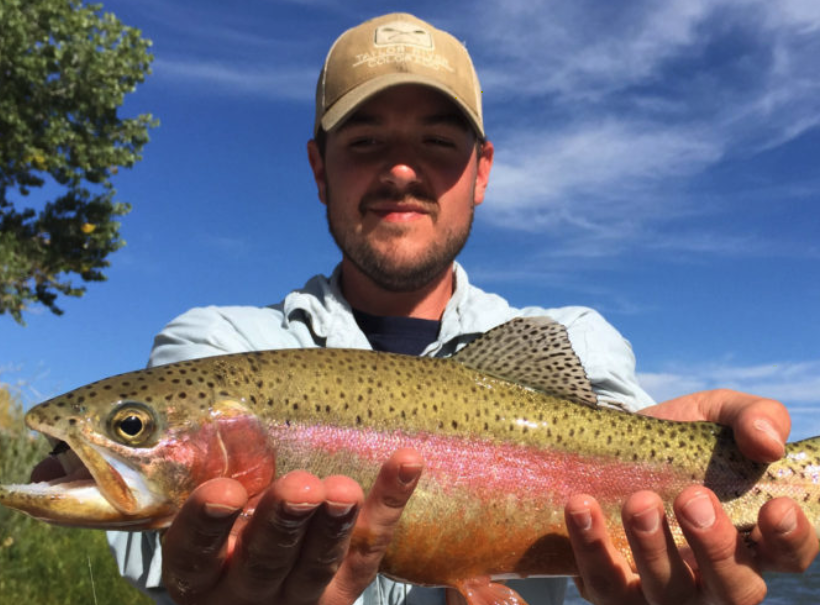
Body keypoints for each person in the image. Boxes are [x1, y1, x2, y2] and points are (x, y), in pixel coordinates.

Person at [108, 12, 818, 605]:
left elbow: (635, 478)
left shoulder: (581, 339)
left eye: (437, 145)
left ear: (481, 172)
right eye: (365, 142)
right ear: (319, 169)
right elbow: (153, 540)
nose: (402, 170)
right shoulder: (214, 345)